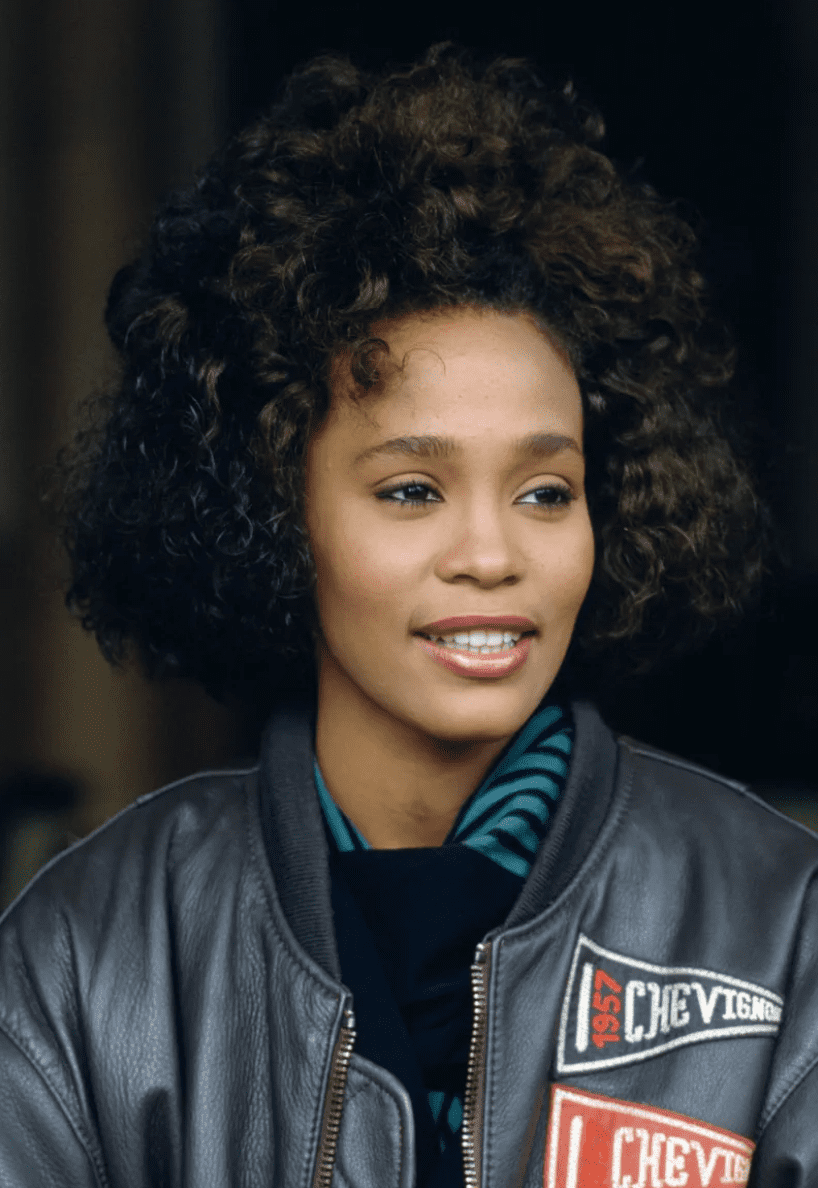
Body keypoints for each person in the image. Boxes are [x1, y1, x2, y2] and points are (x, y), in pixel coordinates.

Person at [0, 43, 815, 1188]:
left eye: (544, 492)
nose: (490, 556)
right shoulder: (94, 948)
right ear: (275, 509)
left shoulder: (780, 929)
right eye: (410, 491)